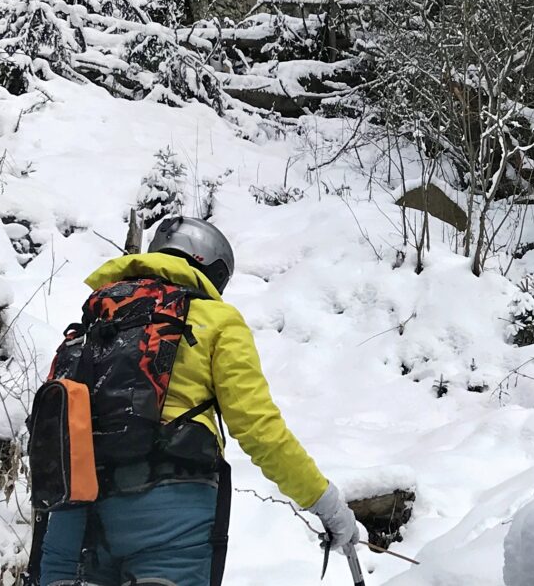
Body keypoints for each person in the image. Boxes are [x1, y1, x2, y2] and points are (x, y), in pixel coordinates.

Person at [32, 217, 358, 586]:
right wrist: (325, 502)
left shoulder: (96, 314)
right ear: (211, 269)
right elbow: (259, 429)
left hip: (72, 518)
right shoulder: (215, 319)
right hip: (171, 514)